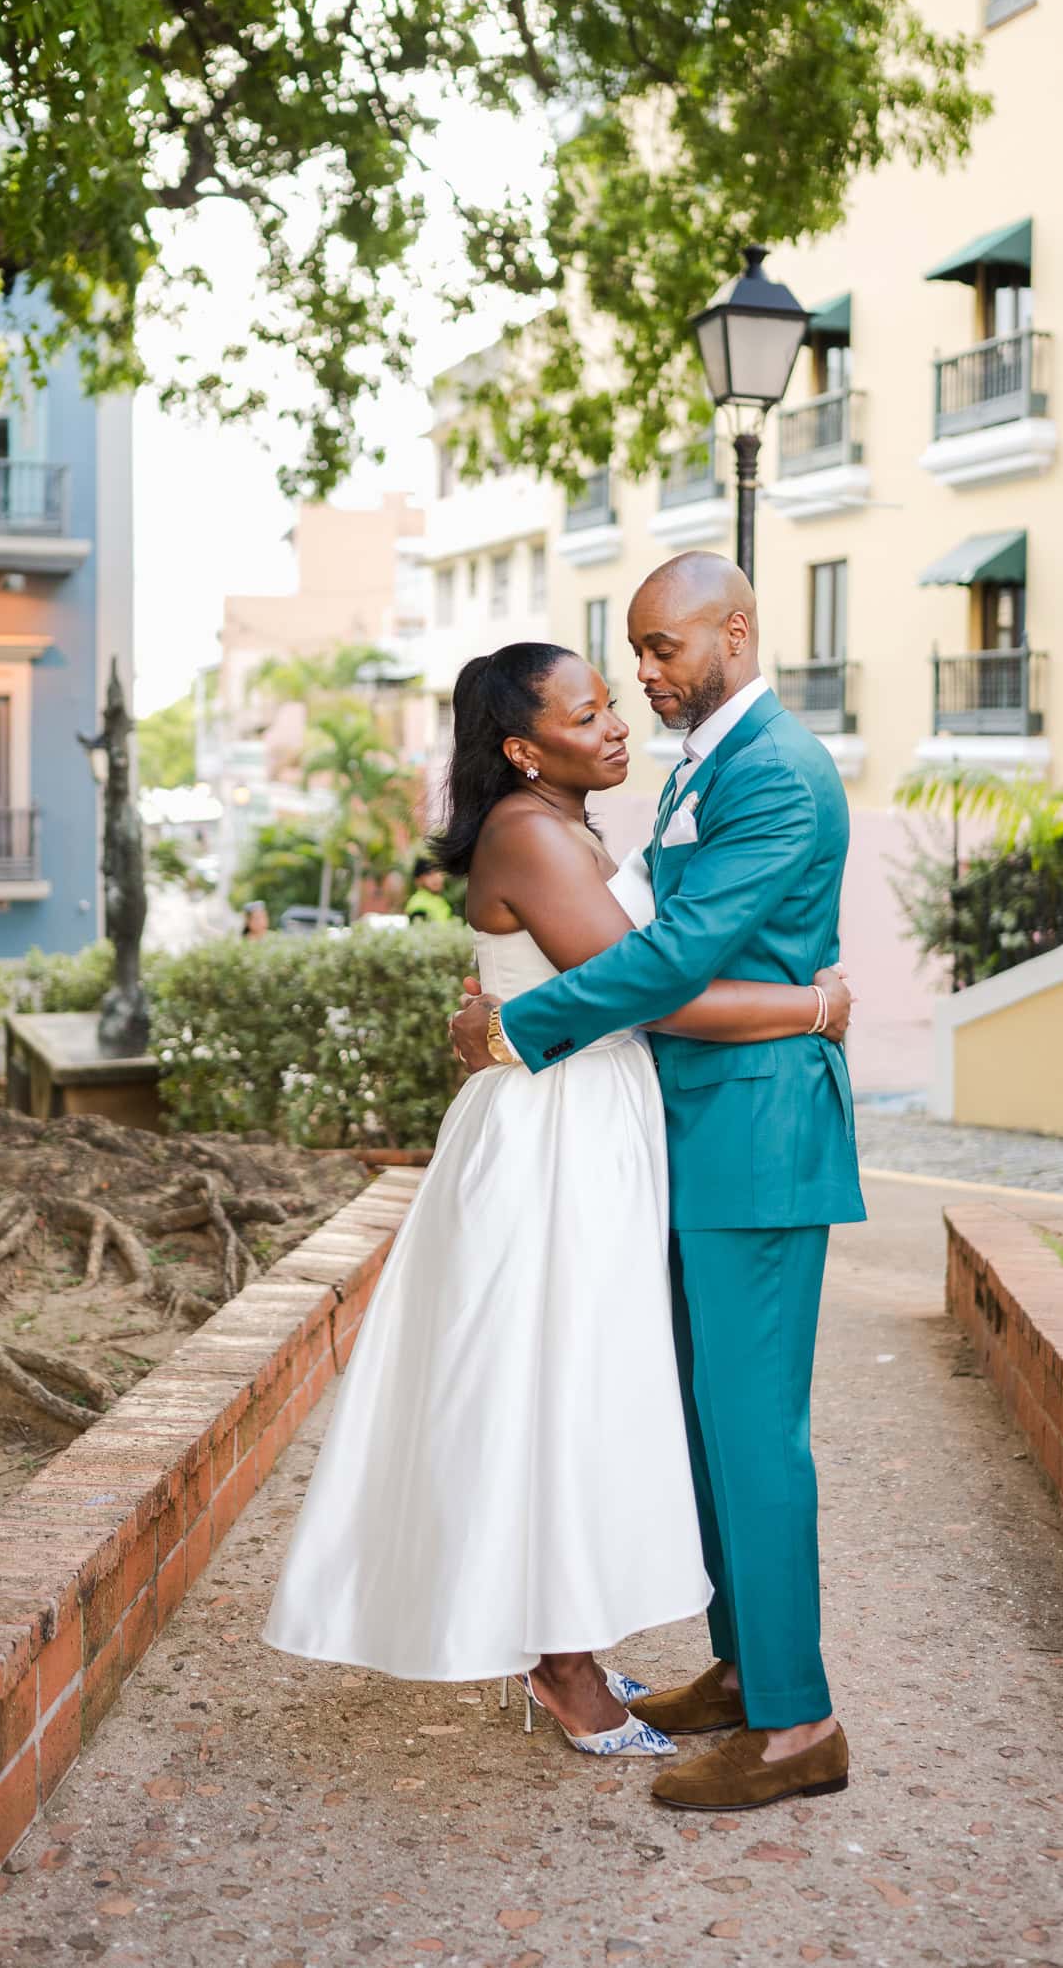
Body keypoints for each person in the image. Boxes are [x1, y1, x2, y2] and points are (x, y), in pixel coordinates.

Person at [261, 635, 851, 1759]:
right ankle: (559, 1666)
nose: (618, 723)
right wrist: (810, 1007)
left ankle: (561, 1629)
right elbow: (657, 988)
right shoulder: (533, 835)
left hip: (588, 1120)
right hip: (553, 1138)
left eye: (614, 701)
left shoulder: (562, 824)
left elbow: (606, 975)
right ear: (526, 750)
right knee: (546, 1381)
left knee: (579, 1380)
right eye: (587, 716)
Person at [449, 553, 866, 1813]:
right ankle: (746, 1673)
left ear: (734, 631)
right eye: (631, 654)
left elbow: (673, 960)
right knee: (706, 1430)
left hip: (757, 1143)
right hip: (686, 1138)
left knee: (754, 1435)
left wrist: (521, 1026)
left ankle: (799, 1731)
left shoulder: (780, 774)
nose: (643, 674)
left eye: (662, 649)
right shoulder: (711, 761)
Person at [404, 856, 455, 924]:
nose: (437, 877)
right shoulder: (418, 904)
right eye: (429, 874)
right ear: (418, 880)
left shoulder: (439, 900)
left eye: (438, 871)